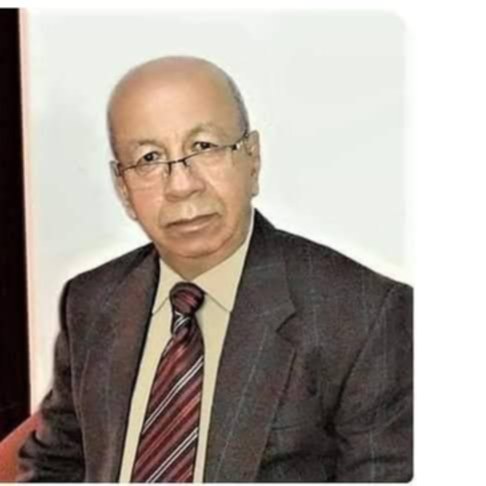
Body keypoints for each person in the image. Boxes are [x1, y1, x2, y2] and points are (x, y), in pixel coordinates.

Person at [17, 56, 413, 482]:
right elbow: (54, 465)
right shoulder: (91, 301)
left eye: (203, 147)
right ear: (124, 189)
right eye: (149, 158)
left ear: (252, 159)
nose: (181, 185)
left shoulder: (364, 316)